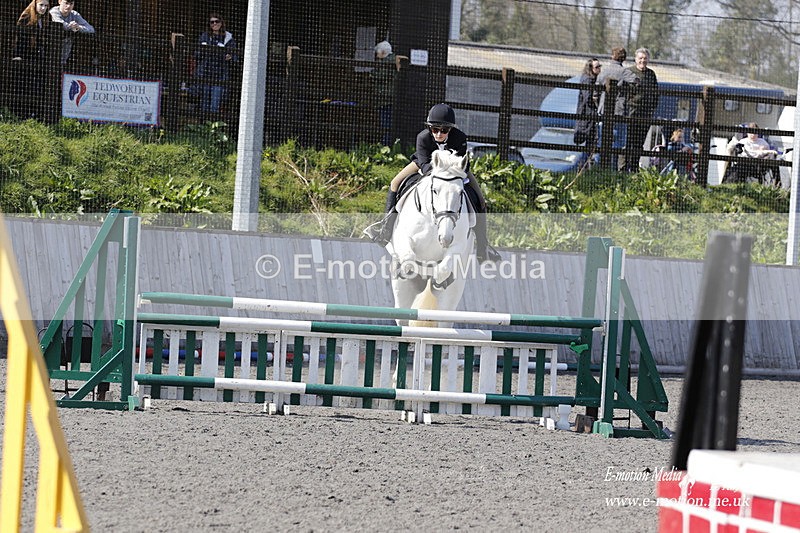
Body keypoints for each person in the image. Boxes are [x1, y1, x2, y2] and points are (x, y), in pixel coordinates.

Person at [364, 103, 500, 263]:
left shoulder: (460, 138)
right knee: (395, 183)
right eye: (435, 129)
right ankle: (385, 230)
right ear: (429, 128)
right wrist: (437, 173)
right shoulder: (422, 137)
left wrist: (452, 173)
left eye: (444, 130)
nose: (439, 134)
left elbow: (461, 163)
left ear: (451, 129)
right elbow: (423, 163)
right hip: (425, 165)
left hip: (454, 170)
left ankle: (483, 247)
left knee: (481, 200)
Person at [12, 0, 57, 120]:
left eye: (46, 6)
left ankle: (34, 113)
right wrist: (18, 54)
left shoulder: (48, 19)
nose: (43, 8)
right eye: (41, 5)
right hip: (24, 55)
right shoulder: (26, 16)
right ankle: (20, 114)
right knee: (23, 85)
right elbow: (19, 37)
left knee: (37, 86)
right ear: (35, 5)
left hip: (39, 57)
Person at [595, 47, 637, 170]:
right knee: (618, 142)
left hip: (603, 111)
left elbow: (595, 93)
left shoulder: (603, 72)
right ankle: (612, 170)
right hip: (618, 111)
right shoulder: (624, 72)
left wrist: (599, 105)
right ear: (623, 58)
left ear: (612, 56)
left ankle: (599, 169)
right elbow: (637, 81)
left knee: (602, 141)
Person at [194, 13, 237, 117]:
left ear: (221, 23)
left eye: (216, 21)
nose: (214, 24)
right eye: (212, 22)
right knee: (203, 105)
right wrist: (203, 50)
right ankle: (203, 129)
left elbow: (236, 57)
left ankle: (213, 131)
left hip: (219, 77)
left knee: (215, 106)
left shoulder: (228, 38)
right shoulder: (205, 36)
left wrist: (230, 57)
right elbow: (196, 54)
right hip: (205, 75)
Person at [624, 48, 659, 172]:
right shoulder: (629, 72)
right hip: (632, 111)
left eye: (645, 58)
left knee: (639, 142)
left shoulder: (651, 74)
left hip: (646, 113)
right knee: (629, 141)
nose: (642, 60)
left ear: (648, 59)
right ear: (635, 59)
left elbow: (656, 93)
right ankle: (624, 168)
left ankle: (634, 168)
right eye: (640, 58)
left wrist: (652, 108)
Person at [49, 0, 94, 67]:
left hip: (67, 49)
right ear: (59, 1)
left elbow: (91, 29)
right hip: (52, 48)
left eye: (71, 3)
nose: (68, 6)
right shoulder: (54, 11)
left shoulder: (75, 14)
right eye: (66, 3)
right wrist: (71, 27)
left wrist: (78, 27)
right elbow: (61, 25)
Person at [370, 40, 399, 146]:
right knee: (388, 123)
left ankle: (386, 145)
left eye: (378, 52)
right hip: (389, 97)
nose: (377, 55)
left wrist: (372, 74)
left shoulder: (387, 62)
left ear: (383, 52)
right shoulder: (393, 60)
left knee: (386, 124)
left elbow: (380, 75)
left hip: (385, 98)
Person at [573, 58, 601, 151]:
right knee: (587, 141)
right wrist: (597, 106)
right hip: (587, 115)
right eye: (597, 67)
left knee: (591, 142)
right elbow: (587, 98)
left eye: (599, 66)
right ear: (590, 68)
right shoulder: (587, 79)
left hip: (589, 115)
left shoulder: (593, 79)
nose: (599, 69)